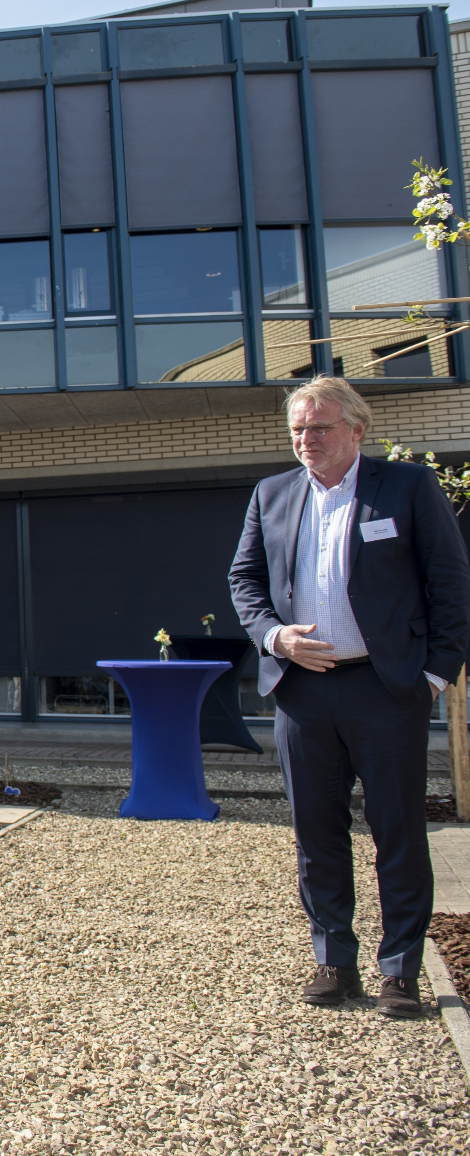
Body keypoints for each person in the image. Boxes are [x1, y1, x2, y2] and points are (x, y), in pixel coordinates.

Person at [229, 375, 470, 1019]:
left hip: (386, 687)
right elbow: (244, 581)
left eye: (319, 427)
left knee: (397, 828)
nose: (306, 439)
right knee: (317, 833)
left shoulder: (407, 487)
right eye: (298, 429)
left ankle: (400, 971)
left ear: (356, 431)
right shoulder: (272, 494)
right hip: (302, 691)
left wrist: (435, 673)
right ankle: (334, 961)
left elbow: (450, 580)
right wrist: (276, 638)